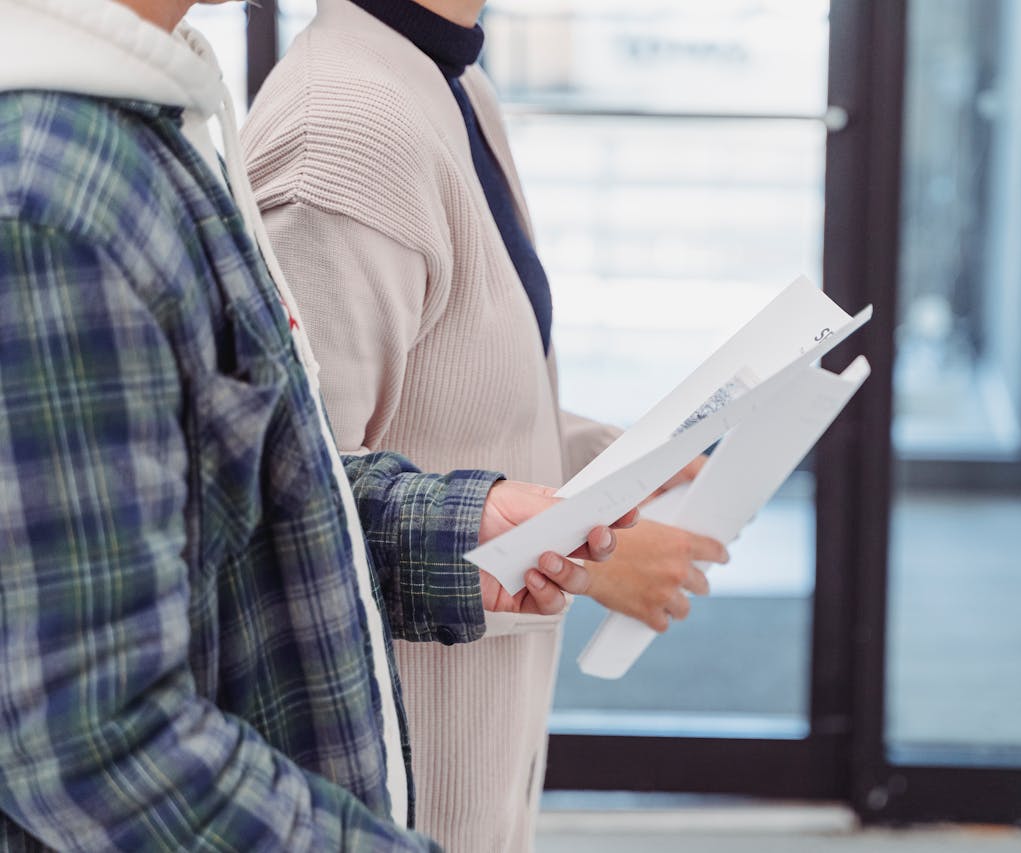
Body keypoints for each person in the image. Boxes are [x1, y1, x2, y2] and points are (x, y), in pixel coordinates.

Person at [0, 0, 633, 849]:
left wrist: (450, 530)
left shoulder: (139, 114)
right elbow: (97, 748)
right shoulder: (57, 204)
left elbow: (252, 478)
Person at [243, 1, 730, 850]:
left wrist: (607, 462)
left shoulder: (450, 80)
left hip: (481, 733)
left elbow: (461, 395)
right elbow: (293, 516)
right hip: (400, 772)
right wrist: (589, 558)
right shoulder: (344, 132)